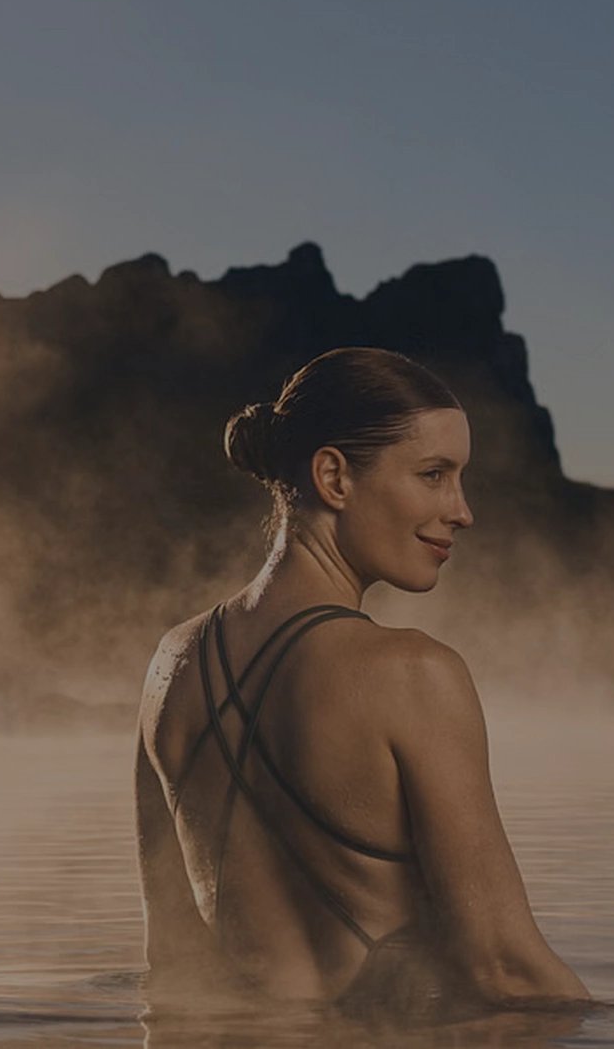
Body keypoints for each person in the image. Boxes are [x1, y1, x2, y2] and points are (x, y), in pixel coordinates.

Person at [134, 347, 588, 1021]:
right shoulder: (412, 674)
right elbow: (505, 965)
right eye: (434, 474)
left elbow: (170, 962)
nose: (461, 510)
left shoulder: (172, 665)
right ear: (334, 477)